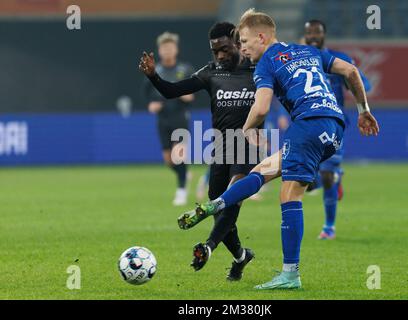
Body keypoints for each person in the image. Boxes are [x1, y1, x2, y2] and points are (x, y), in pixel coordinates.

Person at [179, 9, 379, 290]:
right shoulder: (307, 51)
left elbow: (260, 109)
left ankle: (290, 274)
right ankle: (216, 204)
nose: (243, 48)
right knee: (265, 169)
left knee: (289, 195)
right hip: (334, 128)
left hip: (308, 124)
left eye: (246, 41)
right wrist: (363, 111)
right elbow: (351, 70)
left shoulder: (266, 64)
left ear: (262, 37)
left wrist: (246, 130)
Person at [140, 22, 265, 280]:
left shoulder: (258, 69)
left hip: (248, 146)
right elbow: (173, 91)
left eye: (224, 49)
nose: (219, 55)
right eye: (214, 51)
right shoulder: (211, 72)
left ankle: (207, 246)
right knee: (219, 207)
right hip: (220, 147)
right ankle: (241, 256)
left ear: (237, 42)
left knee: (230, 198)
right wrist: (154, 76)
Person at [303, 19, 372, 240]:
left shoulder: (339, 60)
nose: (313, 36)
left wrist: (363, 107)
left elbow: (361, 84)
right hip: (306, 122)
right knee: (306, 174)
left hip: (334, 124)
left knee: (326, 174)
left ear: (324, 35)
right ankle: (333, 176)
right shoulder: (300, 61)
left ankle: (329, 227)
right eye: (309, 33)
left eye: (318, 32)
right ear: (304, 35)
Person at [143, 32, 195, 206]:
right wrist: (151, 104)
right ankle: (183, 173)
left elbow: (194, 91)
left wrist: (187, 96)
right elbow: (147, 93)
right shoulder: (154, 70)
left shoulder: (185, 69)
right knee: (169, 160)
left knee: (178, 156)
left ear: (176, 49)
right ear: (159, 50)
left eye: (170, 47)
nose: (167, 51)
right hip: (163, 120)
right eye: (164, 48)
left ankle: (181, 191)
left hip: (180, 117)